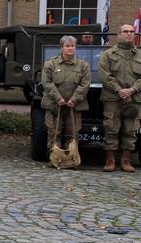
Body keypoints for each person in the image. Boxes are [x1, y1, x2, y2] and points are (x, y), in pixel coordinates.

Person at [98, 23, 141, 172]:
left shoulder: (139, 55)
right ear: (119, 34)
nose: (129, 34)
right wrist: (119, 91)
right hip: (112, 98)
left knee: (130, 130)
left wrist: (132, 90)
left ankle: (126, 160)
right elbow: (104, 75)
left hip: (134, 99)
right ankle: (110, 160)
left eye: (131, 31)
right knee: (111, 128)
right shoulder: (108, 54)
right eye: (125, 31)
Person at [41, 35, 91, 154]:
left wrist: (74, 99)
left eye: (72, 46)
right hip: (54, 104)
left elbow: (85, 84)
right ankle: (55, 157)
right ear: (62, 47)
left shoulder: (83, 65)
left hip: (74, 105)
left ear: (76, 47)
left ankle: (71, 158)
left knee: (72, 133)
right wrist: (58, 98)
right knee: (54, 132)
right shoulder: (50, 64)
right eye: (67, 46)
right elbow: (46, 82)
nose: (70, 48)